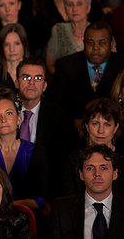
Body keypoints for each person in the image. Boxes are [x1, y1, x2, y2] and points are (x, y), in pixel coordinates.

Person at [15, 56, 73, 199]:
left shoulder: (58, 116)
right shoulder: (6, 110)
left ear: (45, 85)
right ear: (16, 82)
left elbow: (60, 164)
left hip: (45, 189)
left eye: (38, 78)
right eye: (26, 77)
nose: (32, 83)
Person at [52, 21, 124, 127]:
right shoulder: (65, 65)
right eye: (90, 42)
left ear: (111, 44)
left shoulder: (123, 65)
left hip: (116, 130)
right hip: (73, 131)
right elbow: (56, 106)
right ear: (84, 43)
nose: (95, 48)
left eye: (102, 43)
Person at [49, 144, 124, 238]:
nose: (97, 174)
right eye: (90, 168)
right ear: (81, 174)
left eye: (104, 168)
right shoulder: (60, 209)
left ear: (115, 174)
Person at [61, 97, 123, 196]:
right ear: (87, 126)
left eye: (107, 124)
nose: (101, 131)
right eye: (95, 124)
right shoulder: (73, 159)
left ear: (115, 128)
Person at [46, 0, 92, 75]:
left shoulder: (99, 31)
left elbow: (110, 65)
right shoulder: (58, 30)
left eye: (79, 4)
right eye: (70, 5)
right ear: (65, 9)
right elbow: (50, 65)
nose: (74, 9)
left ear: (88, 8)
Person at [0, 23, 29, 99]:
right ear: (2, 48)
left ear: (24, 45)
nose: (12, 49)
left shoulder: (35, 72)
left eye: (16, 44)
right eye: (7, 44)